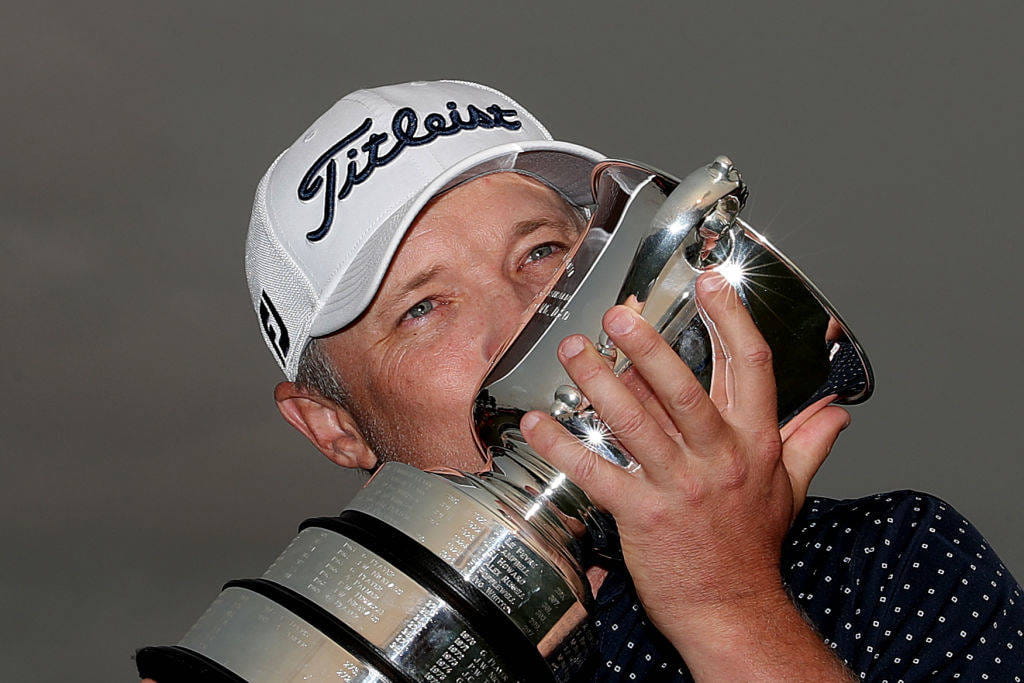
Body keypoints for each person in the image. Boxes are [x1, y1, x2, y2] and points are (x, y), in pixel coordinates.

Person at [154, 80, 1024, 681]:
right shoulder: (295, 659)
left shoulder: (886, 562)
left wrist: (730, 604)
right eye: (424, 308)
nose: (526, 319)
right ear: (331, 425)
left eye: (542, 254)